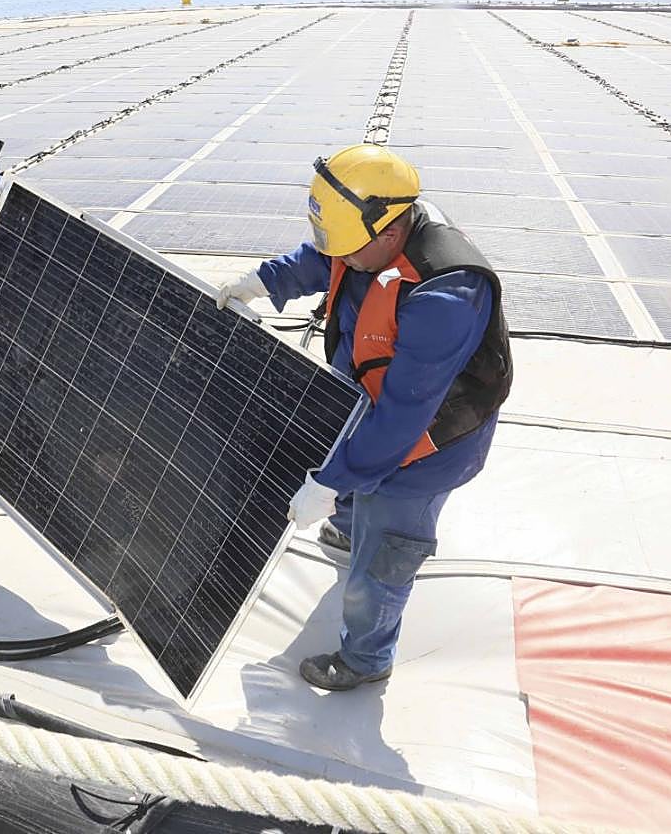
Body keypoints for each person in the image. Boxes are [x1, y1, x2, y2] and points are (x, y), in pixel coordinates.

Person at [216, 145, 512, 691]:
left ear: (391, 231)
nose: (342, 261)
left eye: (352, 251)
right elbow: (322, 259)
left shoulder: (447, 295)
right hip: (366, 403)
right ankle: (351, 524)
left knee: (381, 565)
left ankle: (367, 658)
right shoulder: (366, 235)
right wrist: (261, 282)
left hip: (427, 448)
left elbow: (400, 422)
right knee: (352, 487)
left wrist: (328, 485)